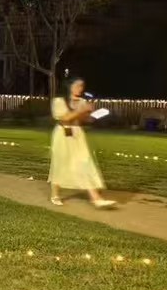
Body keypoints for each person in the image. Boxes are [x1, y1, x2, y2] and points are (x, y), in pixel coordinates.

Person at [50, 77, 117, 208]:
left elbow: (85, 120)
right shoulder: (59, 101)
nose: (80, 89)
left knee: (84, 162)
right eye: (77, 85)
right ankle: (55, 195)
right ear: (69, 86)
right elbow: (64, 118)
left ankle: (96, 199)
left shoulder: (82, 102)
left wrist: (91, 114)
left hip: (77, 134)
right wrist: (80, 110)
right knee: (60, 163)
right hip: (62, 133)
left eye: (81, 86)